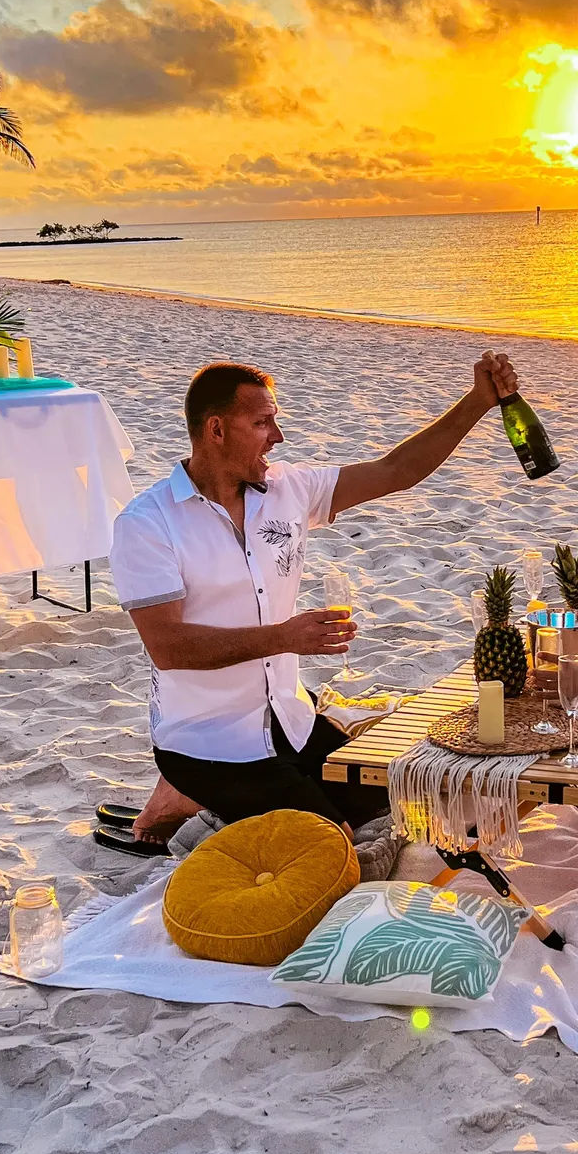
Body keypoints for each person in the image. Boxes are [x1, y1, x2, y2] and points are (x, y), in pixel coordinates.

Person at [105, 350, 518, 852]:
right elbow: (170, 649)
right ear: (216, 430)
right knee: (331, 844)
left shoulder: (289, 489)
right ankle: (186, 790)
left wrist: (479, 401)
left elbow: (397, 470)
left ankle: (194, 802)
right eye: (262, 423)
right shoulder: (147, 524)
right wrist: (283, 637)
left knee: (395, 796)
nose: (277, 437)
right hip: (205, 742)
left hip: (291, 721)